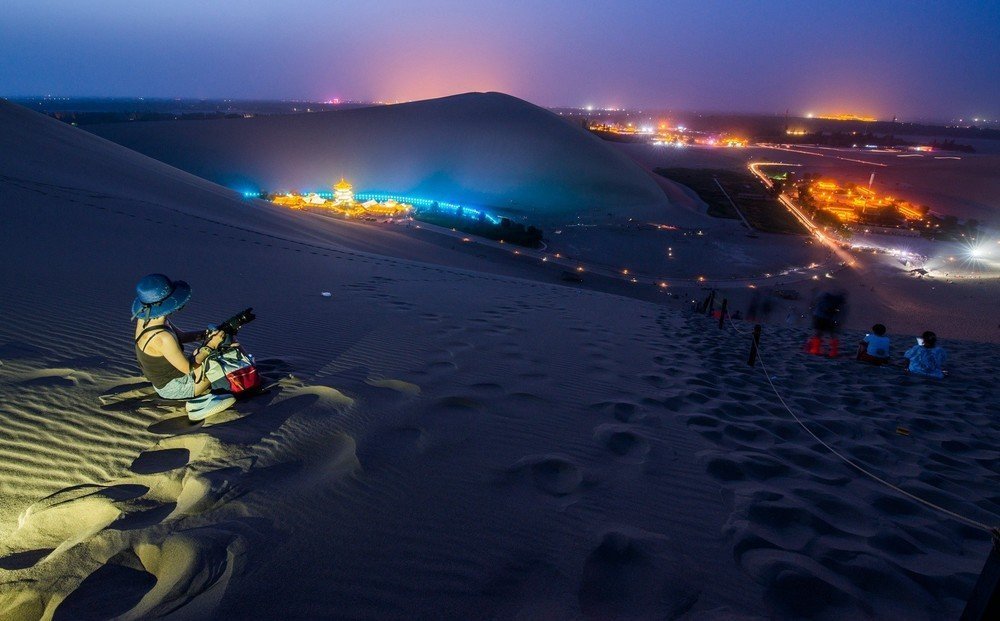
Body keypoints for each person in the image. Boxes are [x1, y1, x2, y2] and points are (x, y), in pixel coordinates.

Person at [132, 274, 235, 420]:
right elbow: (188, 368)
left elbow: (182, 337)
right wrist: (211, 345)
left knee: (202, 354)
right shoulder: (162, 337)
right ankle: (199, 405)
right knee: (216, 364)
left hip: (164, 381)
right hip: (175, 388)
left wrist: (206, 335)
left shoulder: (147, 320)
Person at [805, 290, 846, 357]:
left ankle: (815, 350)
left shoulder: (825, 300)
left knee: (820, 333)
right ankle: (831, 351)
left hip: (819, 317)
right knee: (829, 334)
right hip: (823, 318)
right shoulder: (831, 303)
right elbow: (829, 310)